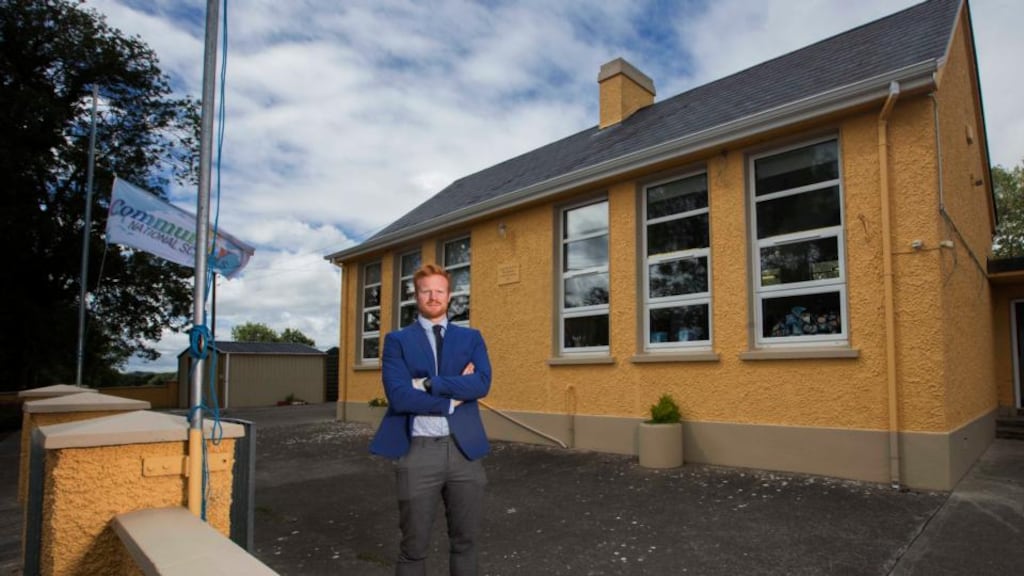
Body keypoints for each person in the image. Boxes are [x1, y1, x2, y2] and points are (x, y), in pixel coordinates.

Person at [370, 263, 492, 576]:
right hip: (418, 452)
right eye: (426, 291)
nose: (433, 296)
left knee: (466, 542)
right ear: (417, 296)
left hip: (464, 451)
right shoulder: (397, 340)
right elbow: (399, 396)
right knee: (413, 548)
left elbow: (481, 384)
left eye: (439, 290)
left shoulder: (471, 338)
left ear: (449, 296)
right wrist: (453, 397)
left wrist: (427, 383)